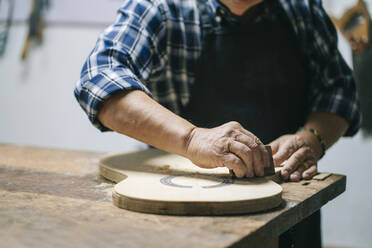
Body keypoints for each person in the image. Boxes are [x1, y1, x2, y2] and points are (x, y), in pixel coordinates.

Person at [74, 0, 361, 247]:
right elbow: (98, 78)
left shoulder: (302, 9)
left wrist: (311, 139)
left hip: (288, 203)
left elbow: (339, 89)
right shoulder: (161, 8)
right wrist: (191, 139)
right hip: (177, 208)